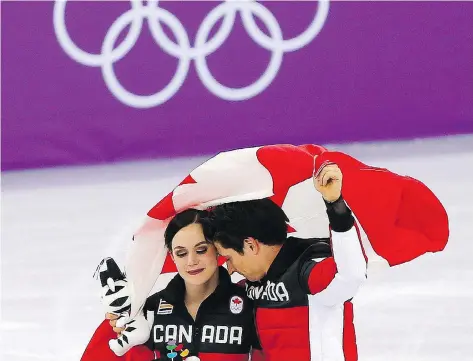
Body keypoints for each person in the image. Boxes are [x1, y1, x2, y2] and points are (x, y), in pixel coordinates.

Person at [202, 163, 367, 361]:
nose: (230, 268)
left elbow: (349, 276)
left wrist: (336, 207)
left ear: (251, 245)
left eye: (229, 258)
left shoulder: (307, 270)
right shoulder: (245, 290)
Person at [82, 209, 262, 361]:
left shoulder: (250, 303)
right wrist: (119, 326)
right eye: (181, 253)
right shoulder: (149, 310)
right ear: (171, 255)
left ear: (217, 248)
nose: (192, 261)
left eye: (201, 250)